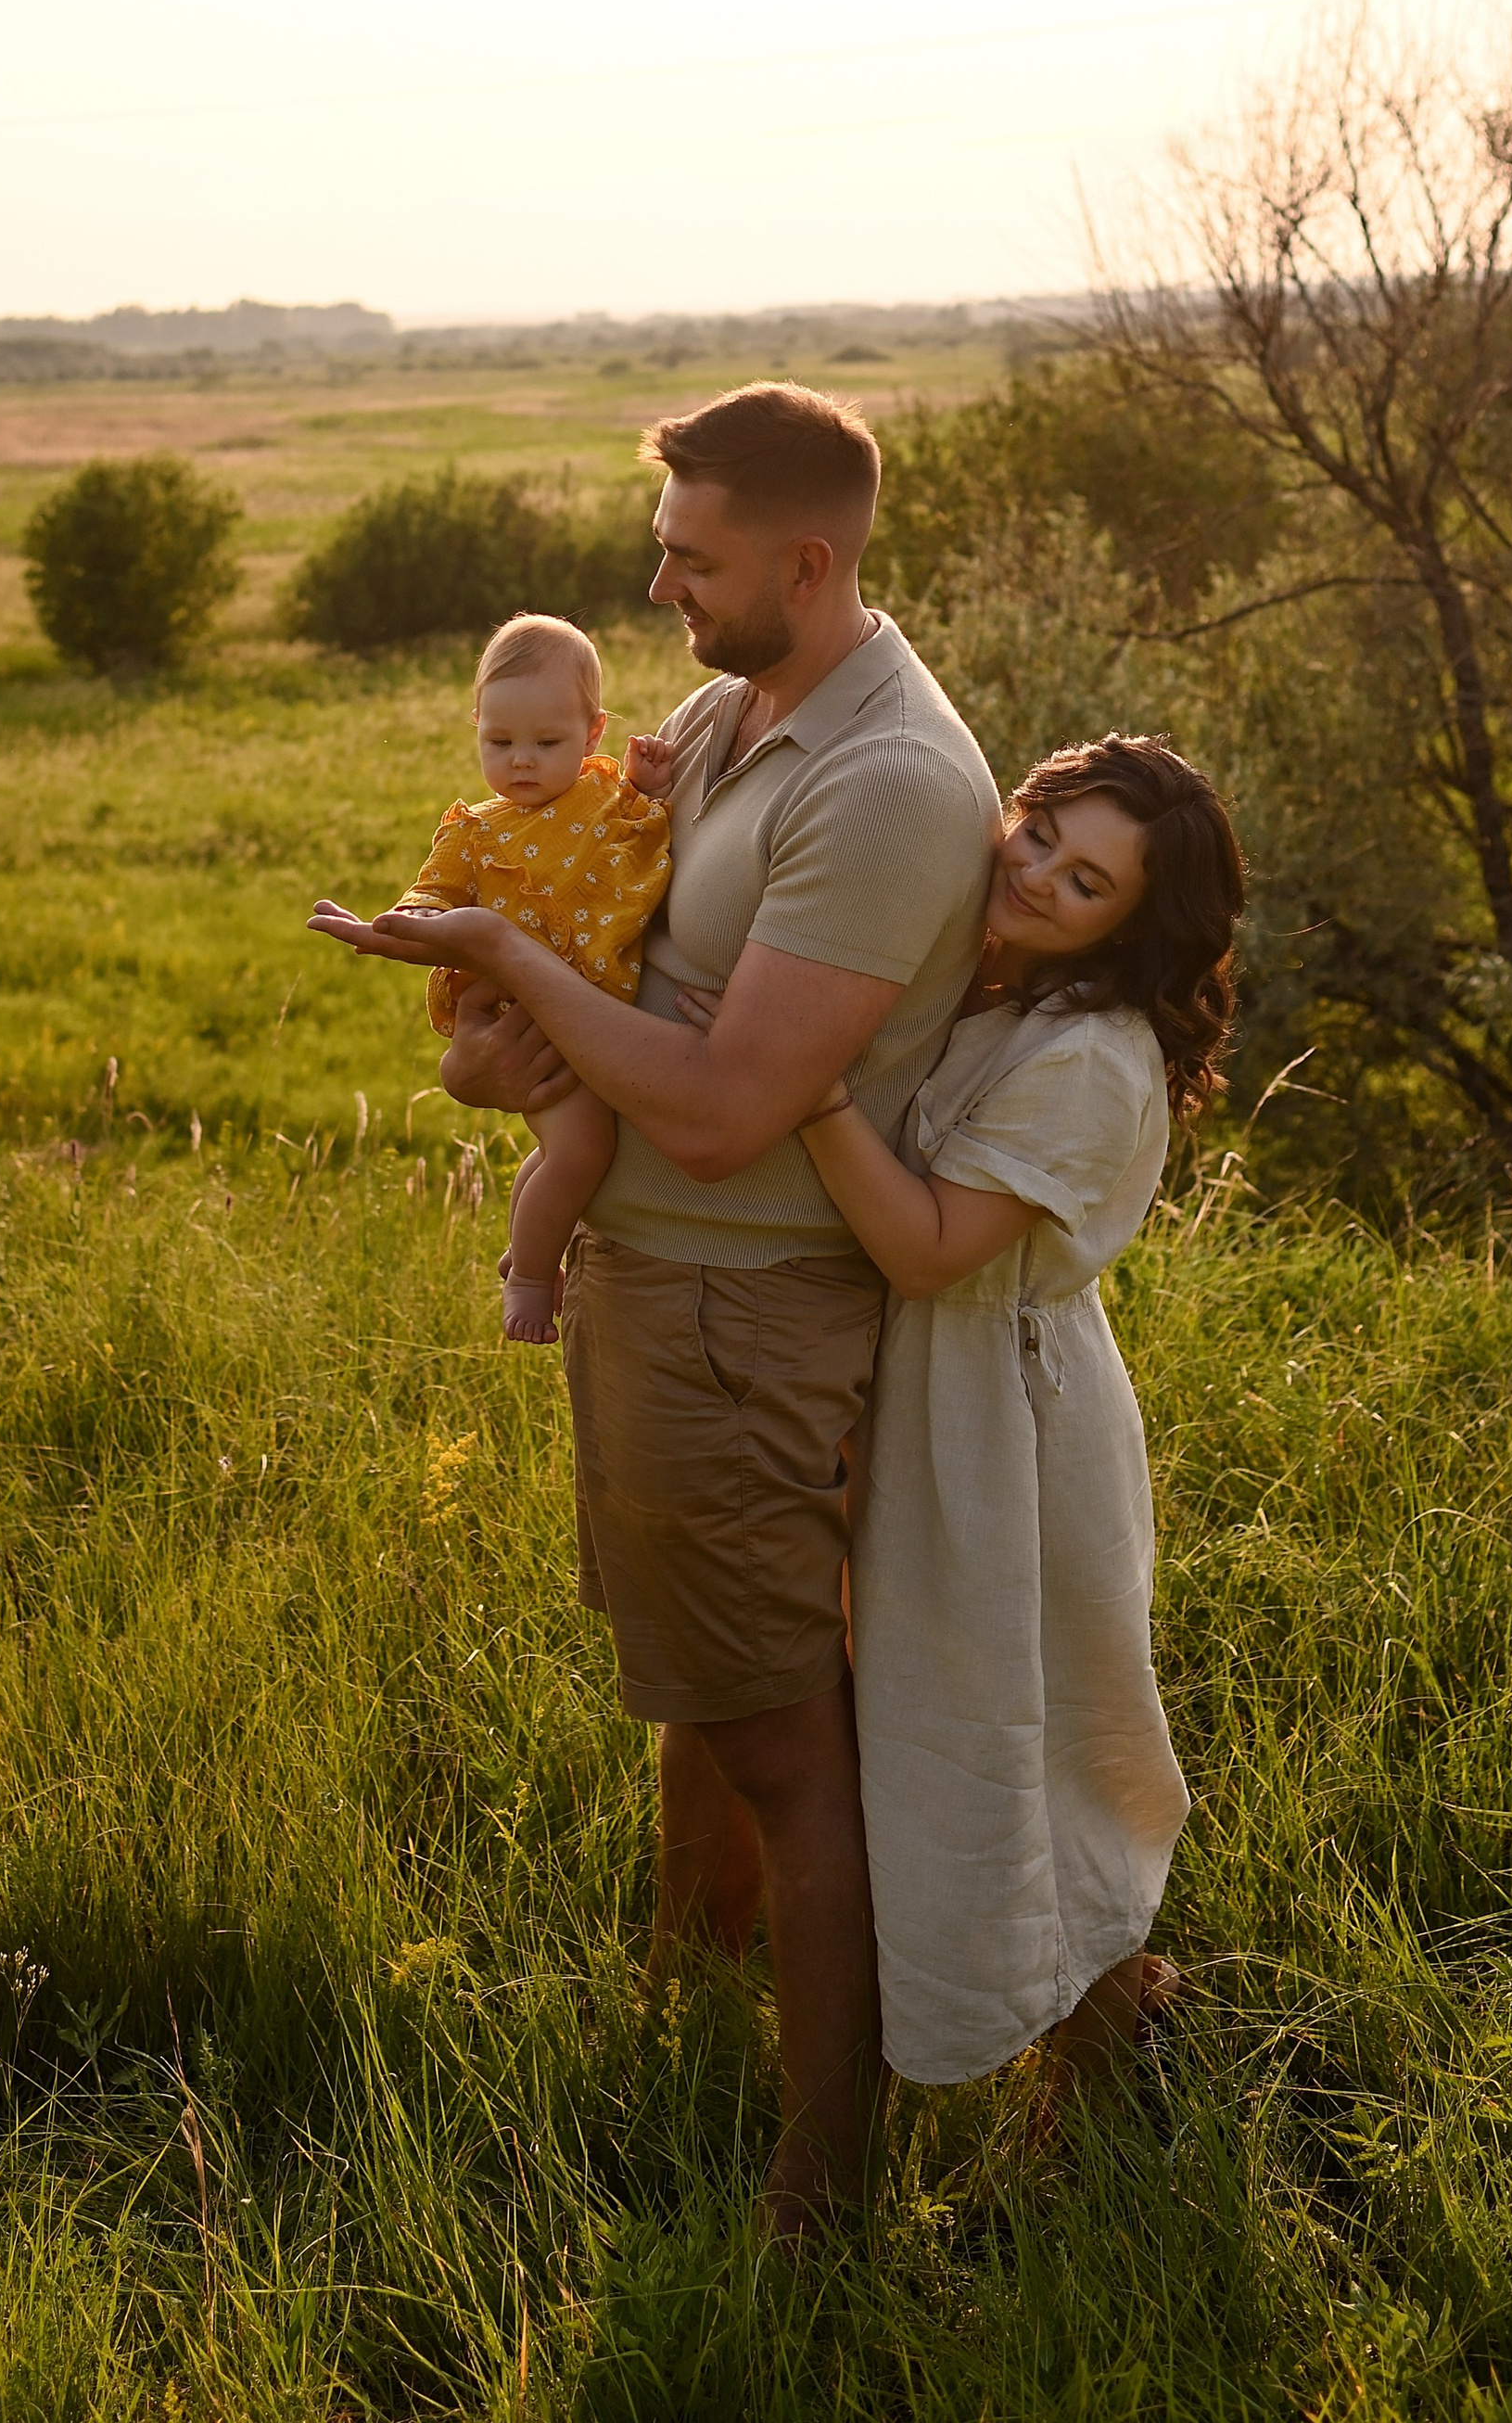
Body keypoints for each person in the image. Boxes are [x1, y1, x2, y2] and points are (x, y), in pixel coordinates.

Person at [311, 381, 998, 2233]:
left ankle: (819, 2183)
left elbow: (709, 1107)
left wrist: (504, 965)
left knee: (785, 1738)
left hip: (741, 1306)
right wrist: (494, 1044)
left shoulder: (886, 782)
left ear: (802, 558)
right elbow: (617, 960)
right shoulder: (728, 712)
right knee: (704, 1698)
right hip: (653, 1288)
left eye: (689, 556)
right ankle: (691, 1999)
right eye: (656, 547)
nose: (659, 580)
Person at [782, 732, 1243, 2104]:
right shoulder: (992, 986)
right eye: (1041, 831)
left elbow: (929, 1249)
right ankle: (1000, 2027)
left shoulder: (1095, 1056)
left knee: (1037, 1739)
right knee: (935, 1734)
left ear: (1132, 925)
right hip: (922, 1398)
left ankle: (1098, 2080)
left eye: (1088, 879)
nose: (1040, 874)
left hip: (1006, 1427)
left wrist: (806, 1090)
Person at [379, 613, 674, 1344]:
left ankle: (529, 1244)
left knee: (557, 1156)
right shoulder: (475, 831)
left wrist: (644, 786)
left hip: (591, 1016)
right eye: (499, 742)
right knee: (581, 1152)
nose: (521, 762)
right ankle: (535, 1279)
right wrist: (400, 922)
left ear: (593, 734)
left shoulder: (601, 799)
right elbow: (432, 894)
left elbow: (639, 838)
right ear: (476, 724)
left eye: (548, 743)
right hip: (532, 1024)